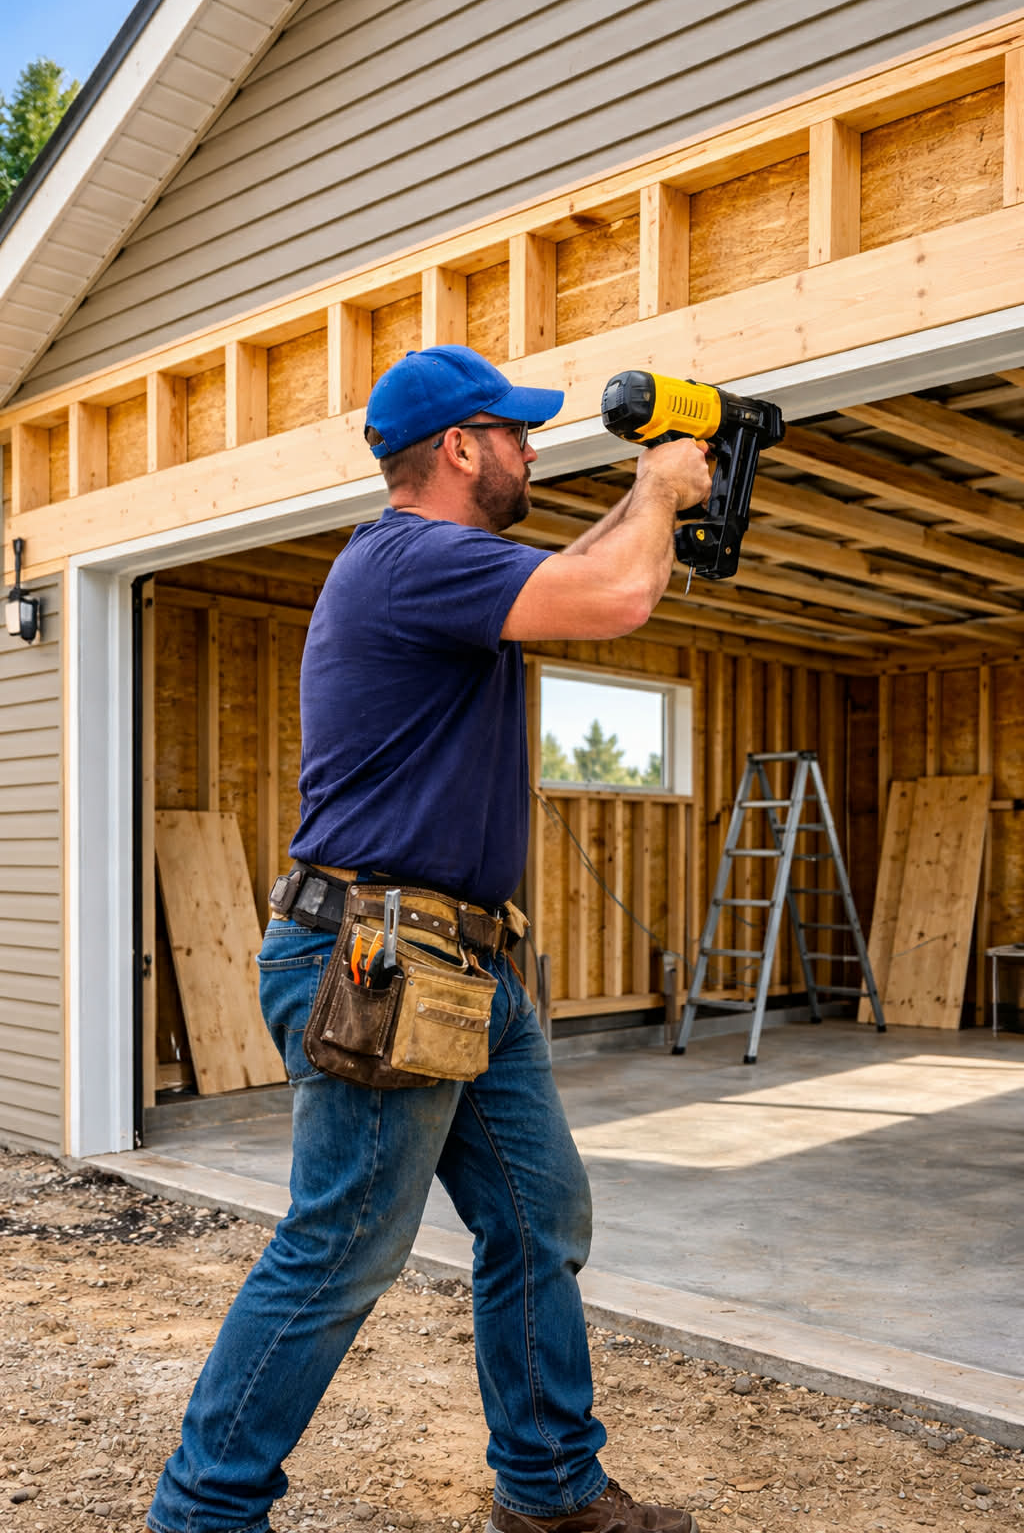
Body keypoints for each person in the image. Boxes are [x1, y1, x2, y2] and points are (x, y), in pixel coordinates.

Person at [146, 345, 712, 1533]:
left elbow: (574, 570)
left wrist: (645, 487)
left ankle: (549, 1489)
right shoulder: (407, 559)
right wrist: (658, 489)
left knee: (536, 1216)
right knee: (342, 1245)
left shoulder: (445, 568)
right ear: (458, 448)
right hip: (379, 960)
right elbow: (613, 595)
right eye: (514, 432)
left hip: (464, 967)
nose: (532, 448)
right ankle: (202, 1514)